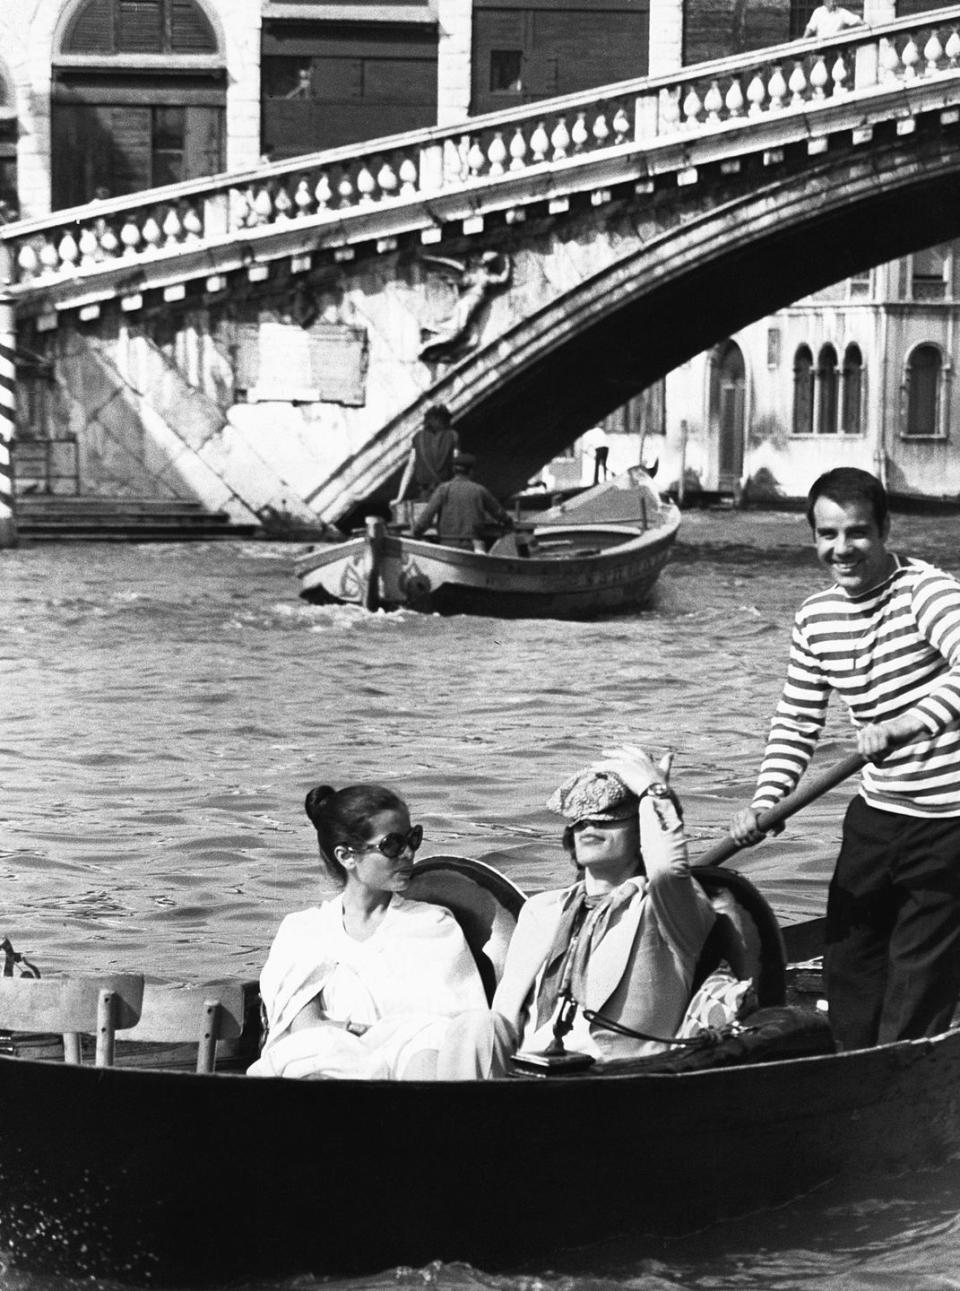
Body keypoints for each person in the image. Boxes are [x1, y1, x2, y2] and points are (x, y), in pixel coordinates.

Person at [729, 467, 960, 1051]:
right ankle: (852, 1078)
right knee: (848, 970)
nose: (842, 549)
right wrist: (768, 800)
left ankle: (898, 1091)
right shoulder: (816, 616)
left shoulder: (928, 593)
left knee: (916, 983)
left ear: (884, 529)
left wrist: (911, 721)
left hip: (950, 820)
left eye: (856, 533)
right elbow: (796, 720)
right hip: (878, 816)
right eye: (827, 535)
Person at [249, 782, 510, 1079]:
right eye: (392, 845)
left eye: (413, 839)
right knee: (317, 1055)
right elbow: (305, 1030)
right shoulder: (303, 931)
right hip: (332, 1065)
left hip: (413, 1067)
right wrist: (357, 1037)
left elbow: (452, 1030)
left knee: (426, 1048)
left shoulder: (432, 924)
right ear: (347, 856)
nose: (409, 853)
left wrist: (363, 1032)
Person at [493, 745, 717, 1062]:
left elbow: (668, 870)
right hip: (522, 1071)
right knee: (470, 1029)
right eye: (580, 820)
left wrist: (655, 794)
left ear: (641, 830)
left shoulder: (663, 909)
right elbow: (502, 1018)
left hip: (611, 1080)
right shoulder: (541, 911)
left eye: (609, 817)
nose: (590, 825)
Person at [412, 451, 512, 551]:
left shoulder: (443, 489)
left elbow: (427, 515)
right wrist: (508, 524)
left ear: (453, 470)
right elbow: (499, 513)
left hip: (446, 544)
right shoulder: (479, 490)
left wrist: (417, 533)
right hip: (472, 544)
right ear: (471, 471)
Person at [394, 404, 460, 504]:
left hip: (426, 494)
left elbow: (410, 467)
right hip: (447, 493)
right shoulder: (453, 435)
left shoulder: (418, 437)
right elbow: (458, 464)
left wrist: (399, 497)